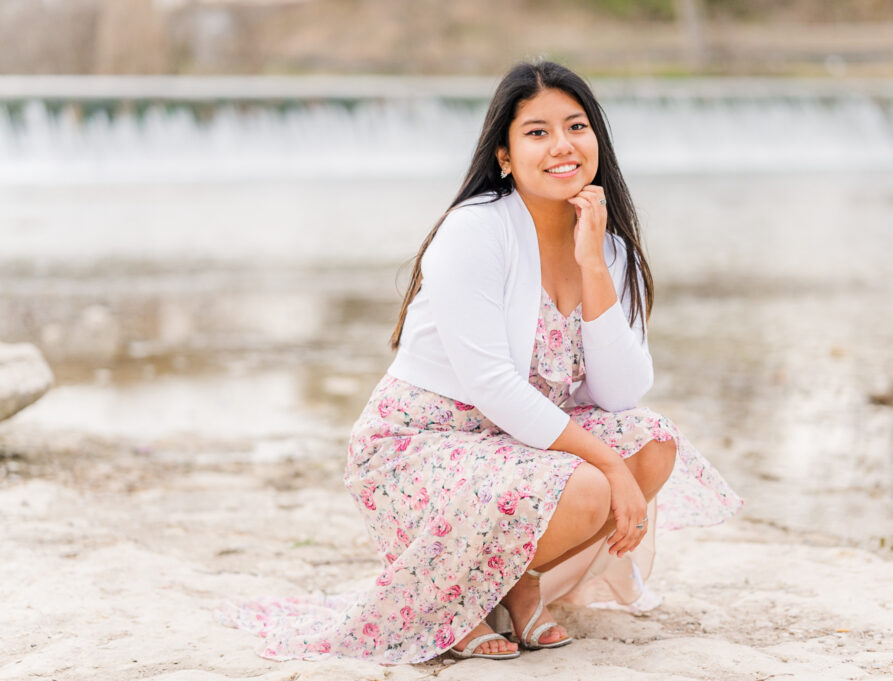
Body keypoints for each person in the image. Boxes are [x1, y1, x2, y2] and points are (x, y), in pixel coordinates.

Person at [218, 60, 741, 664]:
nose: (563, 146)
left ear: (598, 139)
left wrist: (593, 263)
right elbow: (491, 384)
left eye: (576, 126)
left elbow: (622, 392)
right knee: (596, 484)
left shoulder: (607, 246)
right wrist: (608, 468)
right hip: (423, 443)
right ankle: (463, 599)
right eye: (538, 132)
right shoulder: (475, 231)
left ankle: (515, 577)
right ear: (505, 155)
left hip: (518, 447)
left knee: (653, 445)